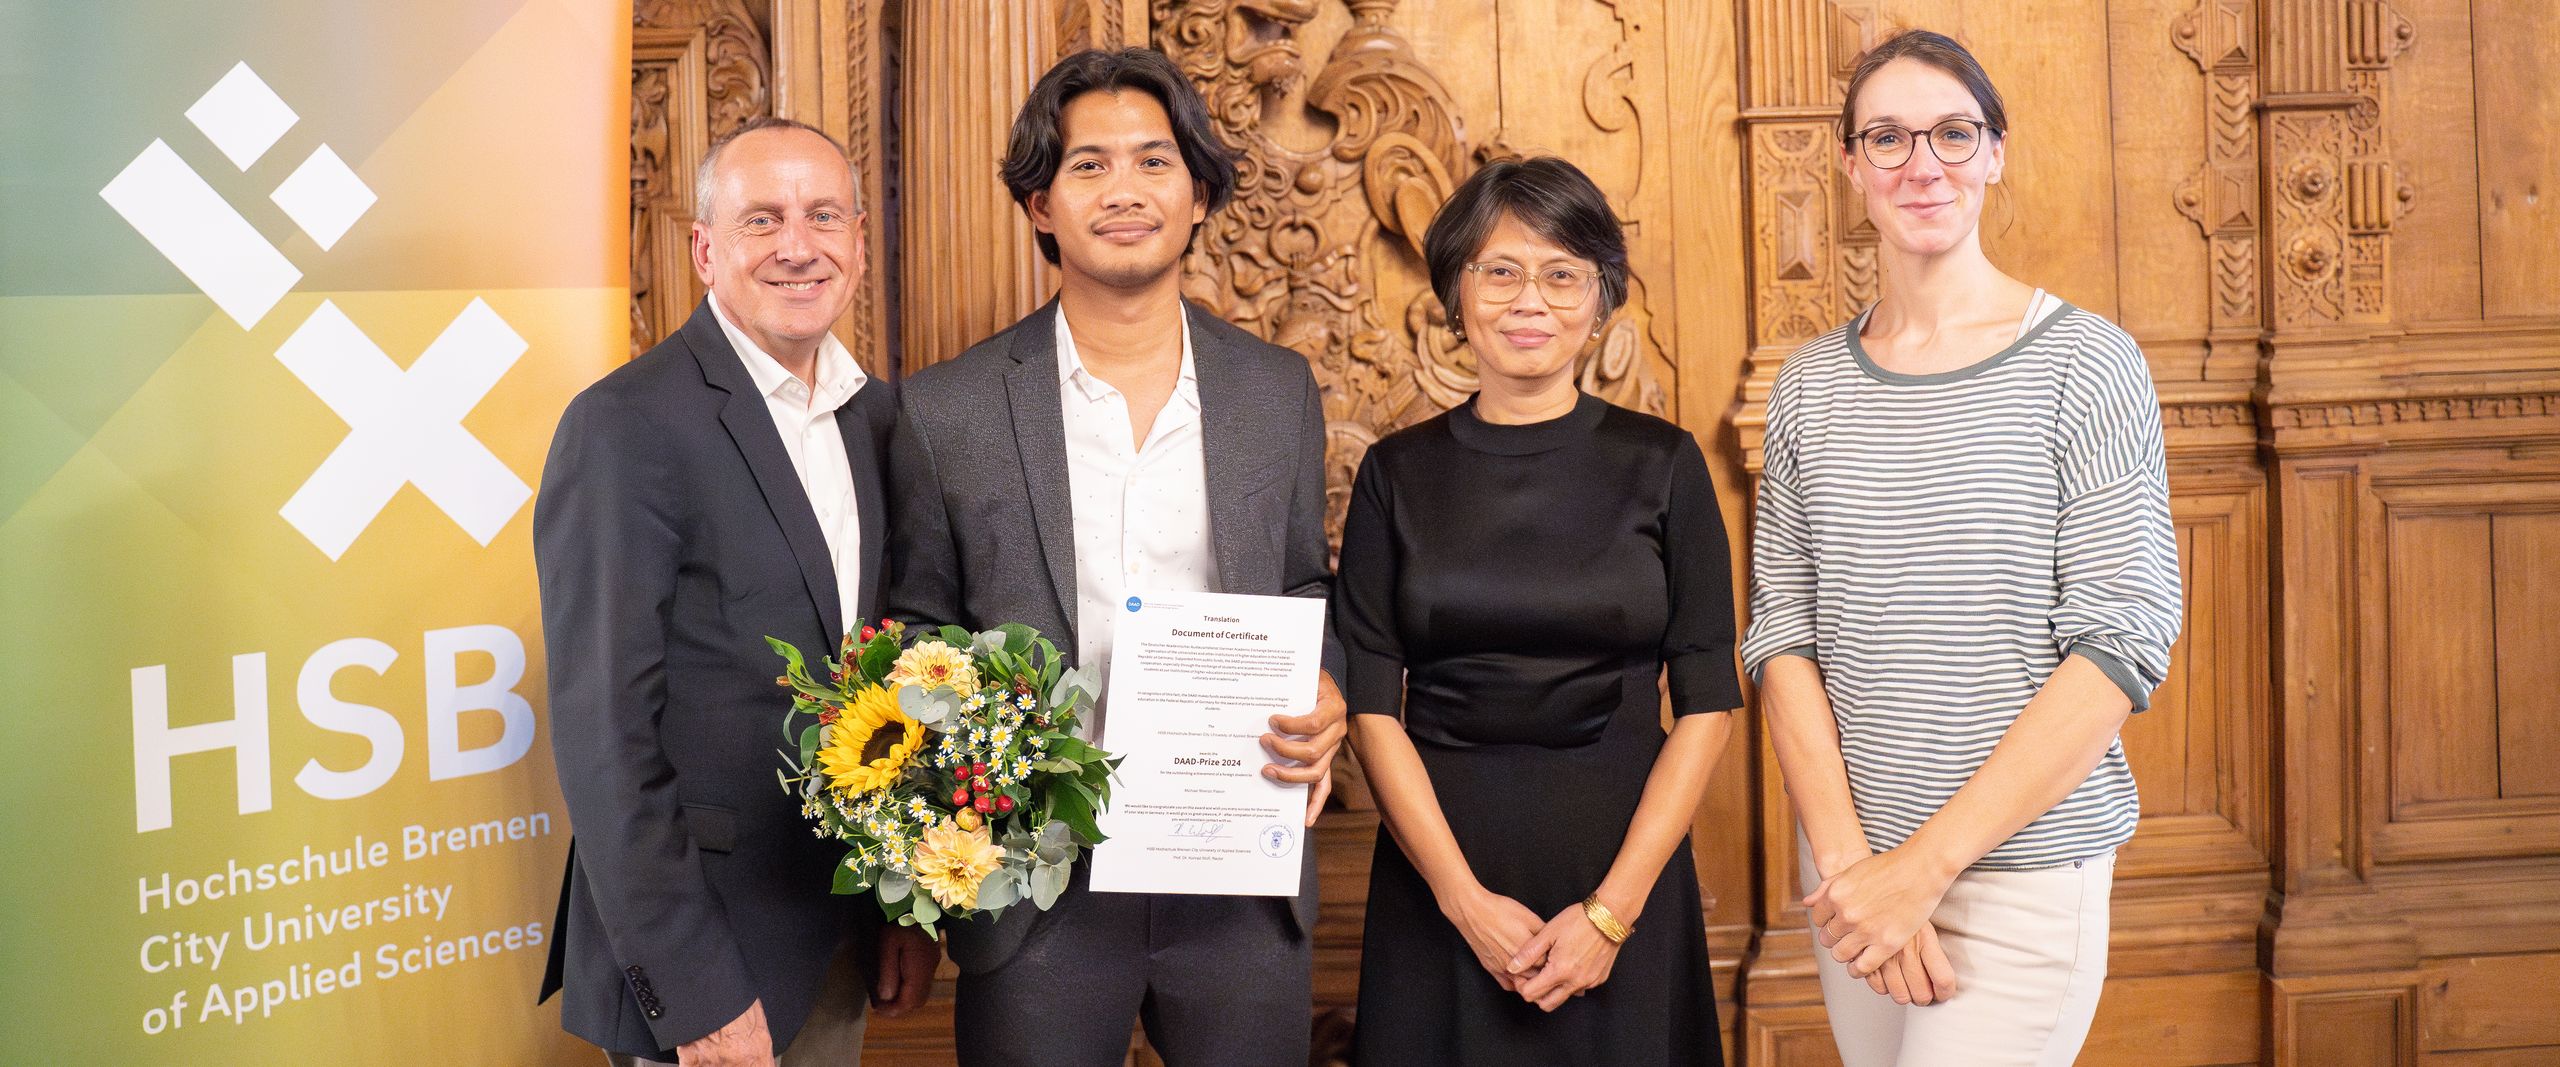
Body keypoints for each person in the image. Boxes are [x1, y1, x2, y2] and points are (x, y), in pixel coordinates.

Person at [882, 48, 1347, 1067]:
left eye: (1153, 160)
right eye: (1089, 165)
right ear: (1042, 205)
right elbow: (914, 630)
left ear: (1196, 194)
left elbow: (1308, 584)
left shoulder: (1276, 391)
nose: (1124, 190)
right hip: (1037, 889)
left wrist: (1327, 686)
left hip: (1237, 868)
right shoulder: (946, 408)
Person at [1738, 30, 2182, 1067]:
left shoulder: (2088, 362)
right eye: (1886, 138)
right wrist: (1856, 867)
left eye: (1951, 132)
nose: (1920, 163)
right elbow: (1782, 635)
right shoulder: (1808, 386)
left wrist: (1921, 872)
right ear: (1850, 166)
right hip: (1852, 874)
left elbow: (2120, 646)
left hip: (2017, 874)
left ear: (1994, 153)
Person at [535, 116, 940, 1067]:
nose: (798, 246)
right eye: (763, 219)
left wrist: (902, 903)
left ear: (858, 246)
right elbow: (606, 741)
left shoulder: (877, 418)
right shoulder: (624, 426)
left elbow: (886, 675)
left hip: (835, 936)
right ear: (705, 250)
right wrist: (695, 993)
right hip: (702, 962)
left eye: (824, 216)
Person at [1334, 156, 1743, 1067]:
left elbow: (1709, 699)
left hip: (1623, 874)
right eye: (1500, 270)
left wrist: (1612, 911)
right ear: (1455, 293)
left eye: (1564, 275)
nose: (1532, 300)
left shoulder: (1665, 463)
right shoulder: (1394, 474)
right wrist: (1461, 899)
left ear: (1601, 303)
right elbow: (1369, 704)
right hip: (1440, 876)